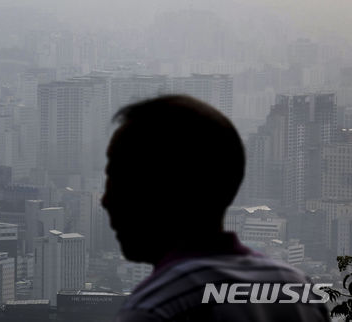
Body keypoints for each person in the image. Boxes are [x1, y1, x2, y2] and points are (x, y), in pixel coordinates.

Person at [101, 95, 329, 321]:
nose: (106, 200)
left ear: (165, 189)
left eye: (118, 180)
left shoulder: (155, 309)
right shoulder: (297, 292)